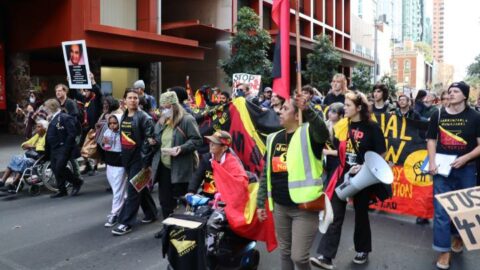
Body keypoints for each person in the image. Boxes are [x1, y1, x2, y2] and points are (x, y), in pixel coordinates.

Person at [311, 90, 387, 269]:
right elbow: (340, 151)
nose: (344, 108)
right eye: (344, 105)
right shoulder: (343, 126)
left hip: (363, 177)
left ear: (359, 108)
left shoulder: (372, 127)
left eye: (348, 105)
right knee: (335, 215)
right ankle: (326, 257)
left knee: (361, 214)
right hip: (343, 175)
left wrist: (364, 166)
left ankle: (363, 250)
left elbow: (381, 153)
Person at [256, 93, 329, 270]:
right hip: (280, 207)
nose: (280, 112)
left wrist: (308, 110)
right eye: (280, 108)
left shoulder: (308, 134)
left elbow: (323, 132)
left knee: (299, 256)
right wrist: (260, 203)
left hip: (304, 207)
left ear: (297, 115)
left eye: (285, 108)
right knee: (285, 253)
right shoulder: (273, 138)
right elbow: (266, 174)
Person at [426, 81, 480, 270]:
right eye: (450, 91)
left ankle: (458, 237)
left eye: (456, 91)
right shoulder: (437, 114)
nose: (451, 94)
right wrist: (432, 162)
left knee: (463, 210)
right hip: (442, 169)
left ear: (465, 95)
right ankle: (443, 251)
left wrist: (465, 158)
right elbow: (431, 140)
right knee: (441, 211)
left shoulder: (475, 117)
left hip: (467, 169)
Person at [151, 91, 202, 238]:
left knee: (184, 198)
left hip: (181, 167)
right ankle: (168, 227)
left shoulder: (187, 120)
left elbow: (197, 140)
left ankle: (186, 229)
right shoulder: (162, 120)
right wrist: (154, 141)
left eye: (167, 107)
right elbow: (157, 137)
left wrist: (181, 148)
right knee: (165, 201)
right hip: (164, 167)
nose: (165, 110)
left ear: (175, 106)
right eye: (163, 107)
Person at [111, 89, 157, 236]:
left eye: (135, 98)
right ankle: (151, 213)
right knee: (139, 187)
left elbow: (150, 142)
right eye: (130, 98)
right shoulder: (124, 115)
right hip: (126, 157)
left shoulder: (145, 118)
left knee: (132, 189)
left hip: (139, 158)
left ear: (139, 100)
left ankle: (126, 222)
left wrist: (147, 163)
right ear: (124, 100)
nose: (133, 100)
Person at [44, 99, 84, 198]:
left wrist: (66, 146)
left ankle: (77, 182)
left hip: (62, 147)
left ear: (52, 107)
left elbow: (72, 133)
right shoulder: (53, 118)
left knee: (60, 167)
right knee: (54, 168)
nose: (45, 109)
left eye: (47, 107)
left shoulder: (64, 117)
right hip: (54, 148)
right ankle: (62, 190)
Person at [0, 120, 48, 192]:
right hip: (31, 155)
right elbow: (24, 144)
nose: (36, 128)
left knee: (23, 161)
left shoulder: (46, 137)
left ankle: (14, 184)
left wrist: (32, 146)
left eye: (39, 127)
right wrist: (32, 146)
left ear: (44, 128)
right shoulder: (37, 136)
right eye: (36, 127)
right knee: (15, 158)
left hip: (38, 158)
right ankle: (2, 181)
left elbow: (40, 149)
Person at [72, 73, 103, 175]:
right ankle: (88, 165)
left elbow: (98, 92)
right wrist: (71, 81)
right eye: (84, 90)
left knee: (95, 148)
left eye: (86, 90)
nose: (84, 92)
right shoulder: (86, 100)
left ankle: (95, 167)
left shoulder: (96, 100)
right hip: (85, 127)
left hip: (95, 128)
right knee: (81, 147)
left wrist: (93, 80)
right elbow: (76, 94)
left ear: (91, 91)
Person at [187, 130, 233, 198]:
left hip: (226, 199)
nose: (211, 144)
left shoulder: (232, 162)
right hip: (209, 197)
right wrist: (191, 191)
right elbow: (197, 176)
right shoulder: (206, 158)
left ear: (224, 148)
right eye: (210, 141)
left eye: (215, 143)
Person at [101, 114, 126, 228]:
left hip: (120, 164)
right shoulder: (107, 132)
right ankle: (124, 205)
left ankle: (114, 213)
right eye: (110, 123)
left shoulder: (124, 133)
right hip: (110, 163)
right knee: (116, 188)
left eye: (115, 123)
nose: (112, 125)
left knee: (117, 189)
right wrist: (105, 142)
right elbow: (106, 147)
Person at [323, 102, 344, 188]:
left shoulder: (343, 128)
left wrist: (327, 152)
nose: (330, 113)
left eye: (334, 112)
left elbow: (343, 151)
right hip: (327, 162)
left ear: (340, 115)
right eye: (330, 111)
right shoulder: (326, 125)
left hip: (338, 163)